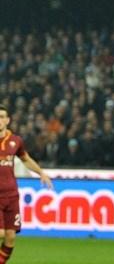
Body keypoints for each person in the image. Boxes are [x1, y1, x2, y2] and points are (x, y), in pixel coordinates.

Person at [0, 105, 53, 264]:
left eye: (2, 117)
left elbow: (25, 159)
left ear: (8, 120)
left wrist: (41, 172)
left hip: (11, 195)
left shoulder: (15, 141)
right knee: (1, 232)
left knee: (10, 238)